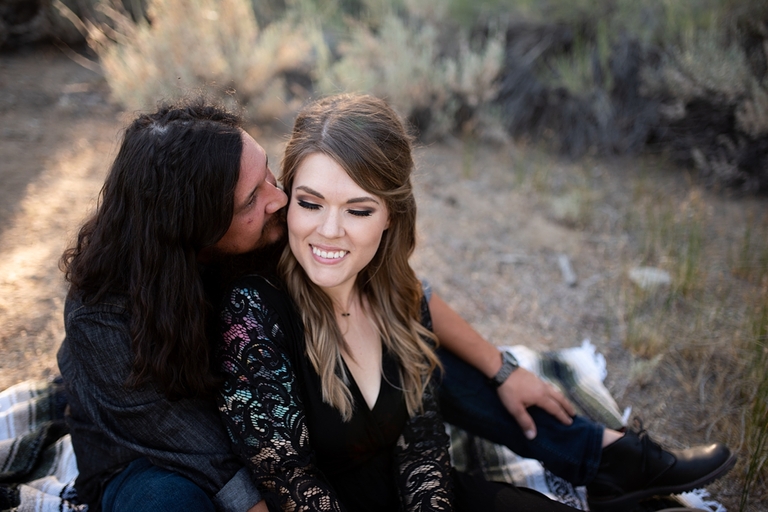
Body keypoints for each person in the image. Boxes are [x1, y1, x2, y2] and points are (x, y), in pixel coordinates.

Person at [58, 96, 732, 512]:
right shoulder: (102, 318)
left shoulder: (259, 235)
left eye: (269, 173)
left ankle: (606, 457)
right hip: (163, 461)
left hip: (277, 410)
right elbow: (210, 457)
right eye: (253, 197)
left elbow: (397, 296)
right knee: (166, 502)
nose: (279, 198)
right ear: (194, 230)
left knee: (397, 345)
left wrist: (504, 369)